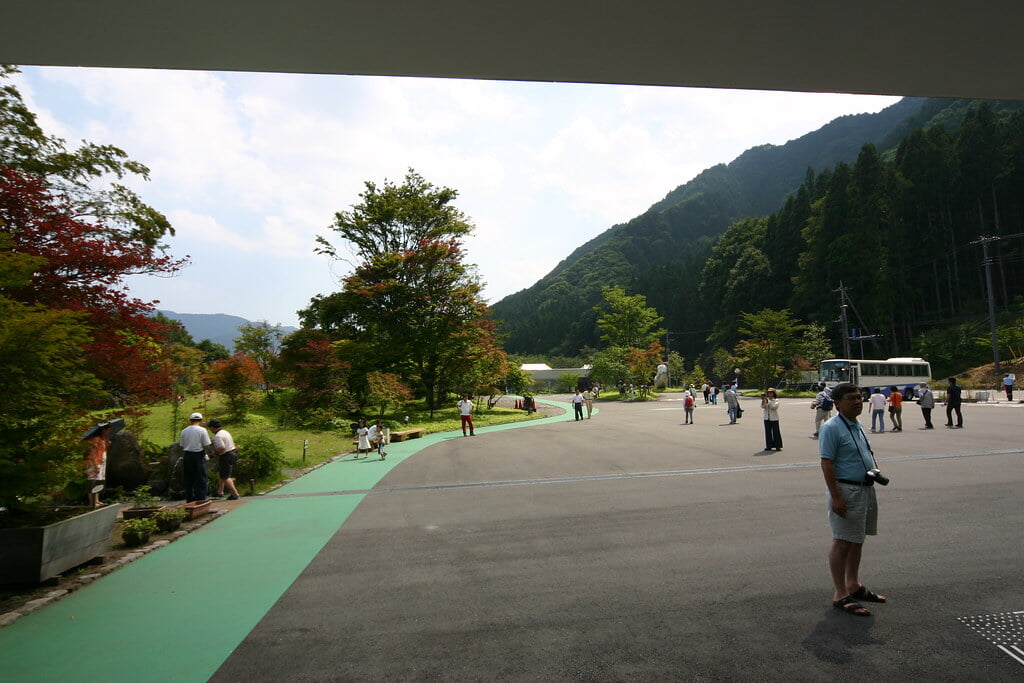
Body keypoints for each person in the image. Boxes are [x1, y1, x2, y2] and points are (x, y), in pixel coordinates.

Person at [818, 382, 887, 617]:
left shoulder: (856, 425)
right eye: (851, 398)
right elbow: (826, 463)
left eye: (859, 397)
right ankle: (840, 593)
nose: (858, 401)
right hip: (847, 490)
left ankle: (853, 585)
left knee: (857, 539)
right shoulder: (831, 427)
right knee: (842, 540)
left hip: (865, 489)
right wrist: (836, 497)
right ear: (837, 404)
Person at [179, 412, 212, 503]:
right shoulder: (202, 430)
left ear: (190, 420)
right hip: (198, 455)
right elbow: (206, 445)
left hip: (187, 455)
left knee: (189, 478)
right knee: (201, 478)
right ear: (200, 420)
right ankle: (200, 499)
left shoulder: (184, 431)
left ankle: (190, 499)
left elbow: (182, 445)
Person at [208, 418, 240, 500]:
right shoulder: (225, 432)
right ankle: (220, 491)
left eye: (210, 428)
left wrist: (214, 453)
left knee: (225, 476)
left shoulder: (217, 436)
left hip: (226, 455)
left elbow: (222, 447)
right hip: (232, 452)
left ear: (213, 427)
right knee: (222, 473)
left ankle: (235, 494)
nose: (210, 429)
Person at [85, 424, 112, 508]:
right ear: (104, 430)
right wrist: (95, 465)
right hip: (94, 462)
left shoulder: (103, 439)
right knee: (93, 481)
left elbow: (102, 450)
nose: (109, 431)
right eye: (108, 430)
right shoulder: (95, 439)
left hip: (101, 462)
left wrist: (107, 444)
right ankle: (92, 502)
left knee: (99, 481)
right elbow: (92, 453)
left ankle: (97, 500)